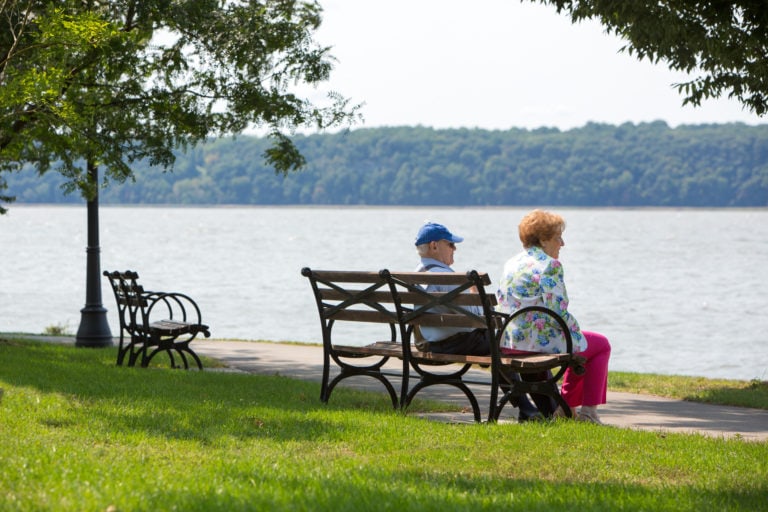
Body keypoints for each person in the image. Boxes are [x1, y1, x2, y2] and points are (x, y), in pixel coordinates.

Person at [414, 221, 550, 422]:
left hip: (427, 342)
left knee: (499, 343)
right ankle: (544, 408)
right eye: (450, 244)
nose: (455, 249)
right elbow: (476, 319)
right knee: (511, 344)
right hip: (454, 343)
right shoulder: (445, 277)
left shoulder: (416, 274)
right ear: (434, 246)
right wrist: (474, 291)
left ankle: (528, 408)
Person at [496, 209, 612, 424]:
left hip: (511, 340)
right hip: (536, 342)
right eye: (558, 237)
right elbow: (557, 311)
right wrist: (576, 334)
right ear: (543, 240)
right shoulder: (550, 266)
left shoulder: (511, 263)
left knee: (583, 344)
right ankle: (587, 413)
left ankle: (567, 408)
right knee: (600, 344)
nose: (563, 244)